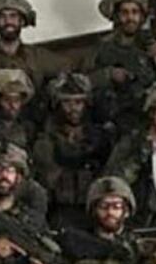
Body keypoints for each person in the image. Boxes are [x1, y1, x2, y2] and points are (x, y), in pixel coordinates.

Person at [32, 72, 113, 230]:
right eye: (67, 102)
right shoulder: (46, 138)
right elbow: (48, 178)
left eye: (78, 102)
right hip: (61, 209)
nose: (73, 108)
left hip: (96, 208)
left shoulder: (99, 136)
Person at [104, 79, 156, 226]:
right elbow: (114, 181)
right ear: (151, 113)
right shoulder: (132, 141)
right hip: (134, 214)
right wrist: (141, 155)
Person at [85, 0, 156, 132]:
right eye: (125, 12)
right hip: (109, 120)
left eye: (135, 12)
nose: (130, 18)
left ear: (142, 16)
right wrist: (108, 74)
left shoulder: (150, 46)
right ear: (117, 16)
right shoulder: (103, 47)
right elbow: (84, 82)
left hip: (143, 118)